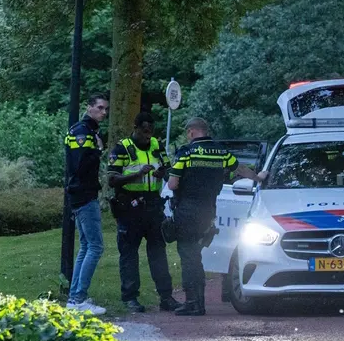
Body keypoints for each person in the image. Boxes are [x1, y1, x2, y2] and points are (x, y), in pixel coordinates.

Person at [166, 118, 268, 316]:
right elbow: (240, 169)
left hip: (187, 210)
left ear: (191, 132)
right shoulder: (221, 152)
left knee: (188, 256)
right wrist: (258, 178)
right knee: (197, 254)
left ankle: (193, 302)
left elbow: (172, 184)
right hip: (208, 211)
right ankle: (199, 302)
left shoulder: (185, 152)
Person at [107, 112, 181, 313]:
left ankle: (166, 297)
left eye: (150, 132)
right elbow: (112, 179)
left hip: (153, 205)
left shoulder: (157, 146)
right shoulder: (123, 148)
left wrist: (161, 173)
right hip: (129, 206)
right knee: (129, 253)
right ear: (136, 128)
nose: (147, 136)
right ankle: (130, 298)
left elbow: (168, 169)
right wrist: (137, 174)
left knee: (158, 251)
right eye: (144, 131)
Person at [64, 93, 109, 315]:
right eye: (100, 108)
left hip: (80, 193)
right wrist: (98, 151)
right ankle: (78, 298)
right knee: (95, 246)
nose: (104, 112)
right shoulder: (83, 132)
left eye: (105, 109)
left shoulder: (84, 130)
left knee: (86, 246)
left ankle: (75, 298)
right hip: (84, 193)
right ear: (89, 107)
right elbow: (81, 165)